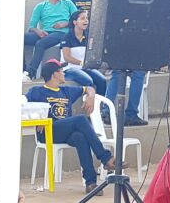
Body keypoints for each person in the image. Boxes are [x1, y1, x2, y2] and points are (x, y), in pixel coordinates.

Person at [26, 59, 115, 193]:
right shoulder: (37, 91)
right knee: (80, 119)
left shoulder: (66, 90)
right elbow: (23, 103)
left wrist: (91, 97)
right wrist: (38, 118)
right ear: (54, 74)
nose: (63, 73)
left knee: (80, 137)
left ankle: (90, 183)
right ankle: (105, 157)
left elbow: (89, 88)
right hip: (48, 132)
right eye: (61, 71)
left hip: (66, 132)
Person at [23, 0, 79, 80]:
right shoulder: (40, 6)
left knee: (40, 43)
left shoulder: (67, 3)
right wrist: (38, 31)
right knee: (21, 38)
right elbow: (31, 26)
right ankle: (23, 69)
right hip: (45, 33)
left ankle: (30, 74)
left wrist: (65, 24)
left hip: (62, 33)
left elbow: (78, 19)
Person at [60, 10, 107, 98]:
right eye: (82, 18)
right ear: (75, 22)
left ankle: (99, 104)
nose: (86, 20)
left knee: (102, 80)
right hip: (70, 69)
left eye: (87, 18)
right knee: (88, 81)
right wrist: (81, 63)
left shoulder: (89, 36)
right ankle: (89, 103)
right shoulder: (67, 37)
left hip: (85, 67)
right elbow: (67, 57)